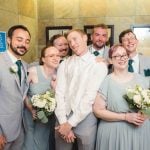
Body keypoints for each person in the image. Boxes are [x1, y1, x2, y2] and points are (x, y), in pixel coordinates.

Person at [55, 29, 108, 150]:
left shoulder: (98, 65)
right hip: (62, 115)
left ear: (85, 38)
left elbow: (89, 97)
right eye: (69, 42)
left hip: (86, 119)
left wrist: (70, 123)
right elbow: (59, 92)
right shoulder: (65, 63)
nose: (72, 44)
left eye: (75, 39)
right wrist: (63, 122)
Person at [93, 44, 150, 150]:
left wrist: (145, 115)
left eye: (124, 55)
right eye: (117, 56)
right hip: (115, 133)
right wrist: (125, 117)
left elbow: (148, 105)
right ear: (110, 60)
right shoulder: (106, 81)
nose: (122, 58)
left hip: (140, 132)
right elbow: (98, 110)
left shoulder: (141, 79)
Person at [23, 46, 60, 150]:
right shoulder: (32, 71)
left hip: (49, 119)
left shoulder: (60, 73)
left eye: (58, 55)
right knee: (29, 143)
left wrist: (53, 89)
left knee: (45, 143)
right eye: (51, 55)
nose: (55, 58)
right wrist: (31, 108)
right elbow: (22, 93)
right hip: (30, 116)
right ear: (43, 59)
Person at [0, 25, 31, 150]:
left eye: (27, 41)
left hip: (20, 129)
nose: (23, 44)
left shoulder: (24, 65)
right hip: (3, 131)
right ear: (8, 40)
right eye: (19, 40)